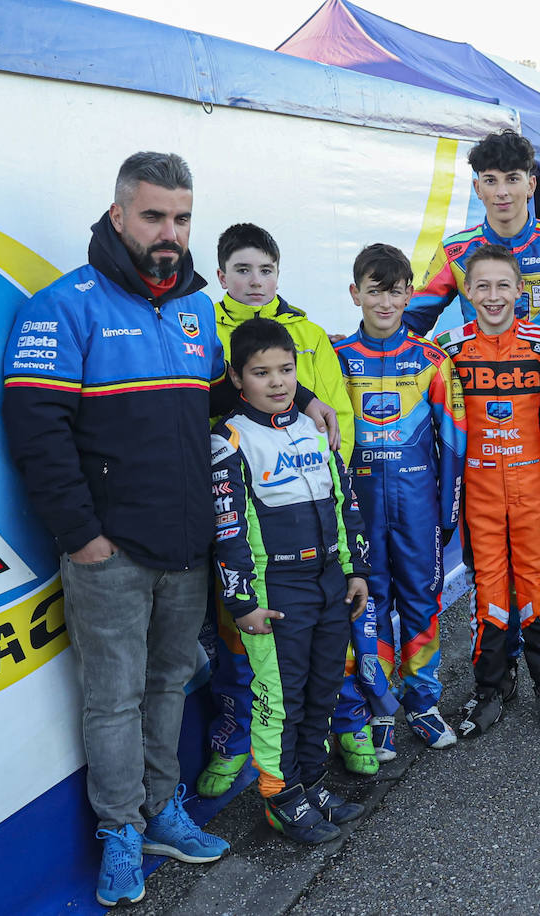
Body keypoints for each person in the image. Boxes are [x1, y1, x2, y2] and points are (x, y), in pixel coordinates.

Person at [1, 152, 269, 906]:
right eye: (154, 216)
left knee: (169, 687)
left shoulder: (192, 309)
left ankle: (161, 812)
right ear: (118, 215)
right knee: (112, 700)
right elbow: (35, 432)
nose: (170, 233)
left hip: (187, 548)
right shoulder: (65, 306)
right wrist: (83, 535)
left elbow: (219, 401)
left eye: (182, 218)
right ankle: (120, 830)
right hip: (108, 555)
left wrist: (300, 395)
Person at [405, 129, 540, 716]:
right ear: (478, 187)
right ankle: (497, 674)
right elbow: (409, 325)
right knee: (492, 565)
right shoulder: (458, 250)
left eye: (513, 179)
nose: (503, 192)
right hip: (484, 431)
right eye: (490, 181)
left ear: (532, 183)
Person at [197, 223, 385, 799]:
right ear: (222, 273)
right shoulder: (200, 325)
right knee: (263, 675)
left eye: (266, 269)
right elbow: (200, 409)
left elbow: (333, 416)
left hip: (322, 540)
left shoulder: (306, 333)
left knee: (324, 672)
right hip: (261, 555)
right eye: (243, 270)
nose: (256, 281)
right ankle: (251, 763)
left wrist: (318, 460)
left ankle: (323, 765)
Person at [212, 318, 371, 844]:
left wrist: (355, 571)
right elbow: (228, 528)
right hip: (276, 590)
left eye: (286, 370)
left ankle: (309, 783)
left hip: (329, 580)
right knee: (281, 699)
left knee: (323, 690)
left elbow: (346, 501)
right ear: (238, 378)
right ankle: (280, 798)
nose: (277, 383)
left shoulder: (314, 425)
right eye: (261, 373)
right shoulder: (229, 438)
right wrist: (243, 602)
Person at [434, 244, 540, 737]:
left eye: (503, 286)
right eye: (483, 286)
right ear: (467, 292)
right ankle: (490, 688)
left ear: (521, 290)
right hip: (480, 490)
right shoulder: (447, 349)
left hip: (533, 485)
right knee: (489, 592)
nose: (493, 296)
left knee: (536, 590)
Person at [335, 243, 467, 752]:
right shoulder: (340, 360)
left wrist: (447, 510)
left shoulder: (432, 361)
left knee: (422, 601)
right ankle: (380, 707)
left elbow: (454, 441)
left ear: (410, 293)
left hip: (418, 506)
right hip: (361, 507)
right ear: (355, 294)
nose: (386, 303)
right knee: (369, 602)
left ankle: (424, 703)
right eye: (374, 292)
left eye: (395, 292)